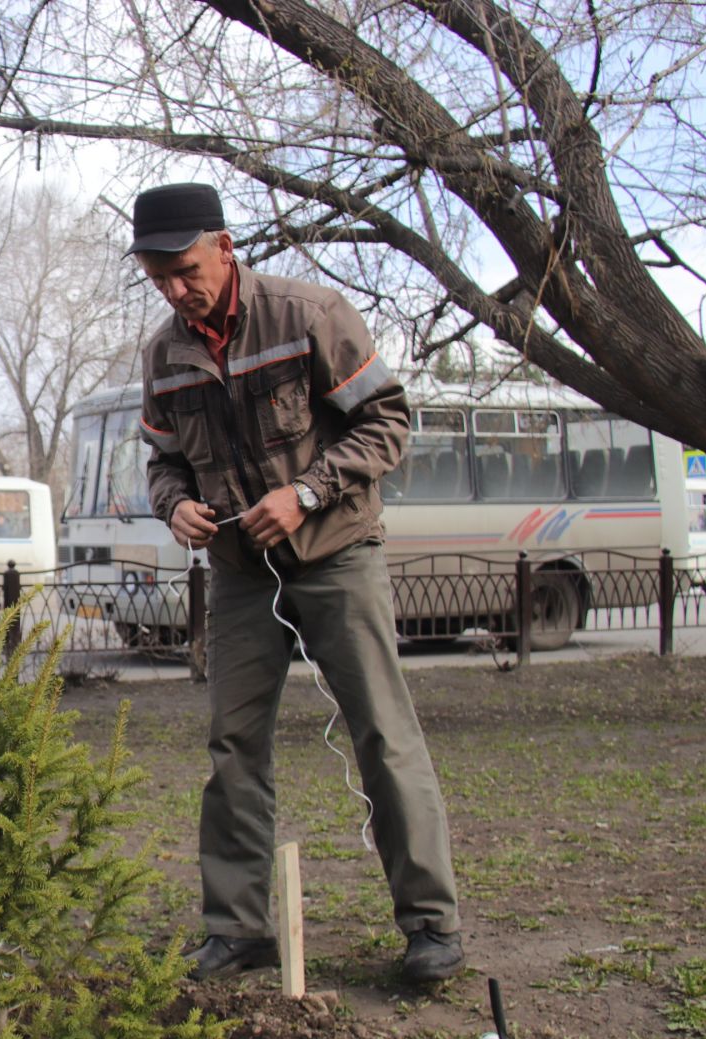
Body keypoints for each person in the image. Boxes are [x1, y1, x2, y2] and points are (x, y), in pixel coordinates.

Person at [129, 182, 464, 984]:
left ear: (225, 247)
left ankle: (431, 926)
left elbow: (388, 422)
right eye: (158, 276)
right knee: (233, 747)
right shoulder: (162, 356)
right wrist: (175, 508)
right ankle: (239, 929)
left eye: (185, 269)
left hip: (337, 554)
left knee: (383, 731)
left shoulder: (309, 314)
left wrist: (307, 491)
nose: (177, 290)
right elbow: (164, 461)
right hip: (243, 576)